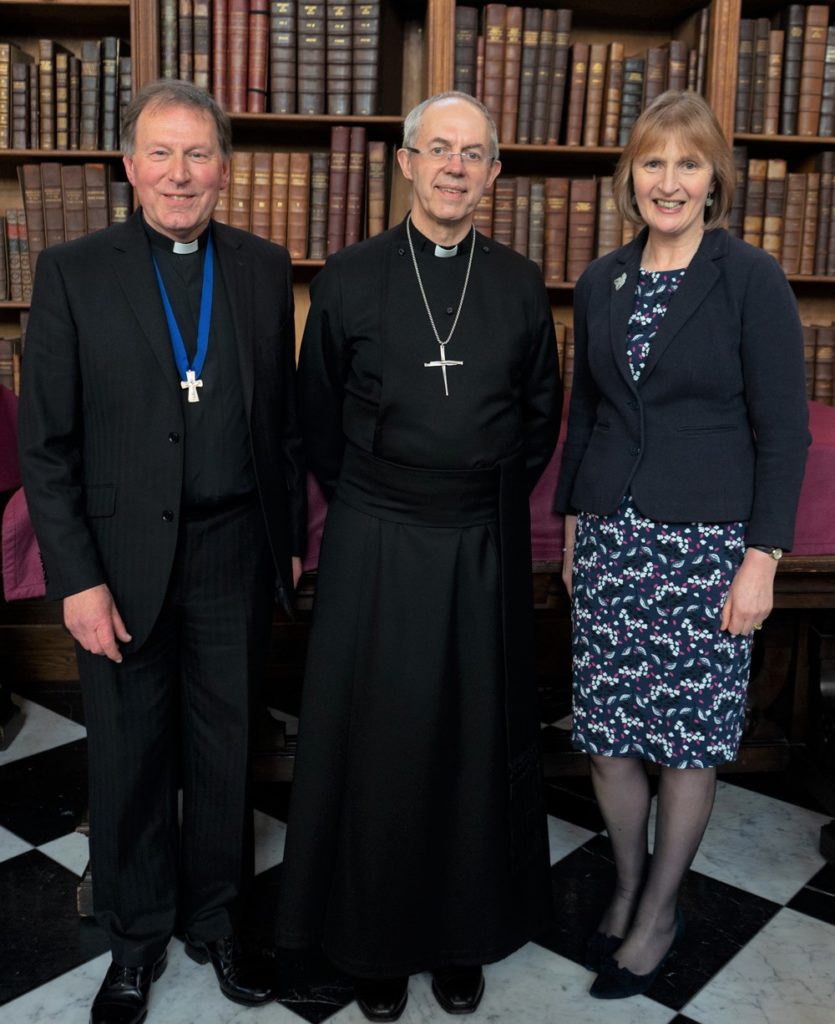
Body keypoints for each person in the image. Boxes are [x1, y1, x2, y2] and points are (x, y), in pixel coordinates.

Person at [17, 79, 306, 1024]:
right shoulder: (72, 271)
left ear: (224, 169)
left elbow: (282, 424)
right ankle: (135, 940)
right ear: (129, 166)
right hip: (120, 560)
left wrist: (286, 542)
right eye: (161, 153)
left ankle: (218, 924)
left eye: (198, 154)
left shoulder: (261, 267)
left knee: (228, 752)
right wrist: (78, 580)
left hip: (234, 549)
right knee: (131, 754)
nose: (179, 174)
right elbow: (45, 448)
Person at [275, 92, 561, 1021]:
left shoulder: (519, 283)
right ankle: (375, 943)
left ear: (493, 174)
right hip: (378, 539)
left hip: (479, 540)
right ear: (404, 163)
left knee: (472, 744)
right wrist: (388, 499)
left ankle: (460, 938)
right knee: (382, 744)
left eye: (472, 154)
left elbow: (539, 417)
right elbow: (316, 414)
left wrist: (468, 496)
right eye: (437, 149)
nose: (453, 167)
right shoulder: (350, 276)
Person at [554, 90, 810, 1000]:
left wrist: (761, 559)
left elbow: (784, 433)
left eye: (687, 163)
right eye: (652, 162)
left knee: (686, 747)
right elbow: (587, 414)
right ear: (629, 176)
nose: (668, 181)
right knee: (608, 741)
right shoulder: (602, 280)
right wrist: (575, 528)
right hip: (613, 542)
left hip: (706, 552)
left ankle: (661, 910)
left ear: (713, 180)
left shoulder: (750, 278)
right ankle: (628, 885)